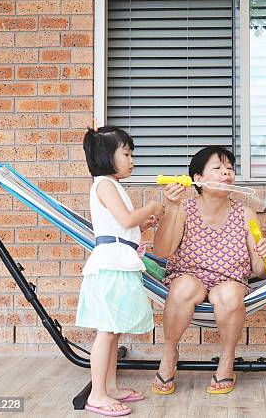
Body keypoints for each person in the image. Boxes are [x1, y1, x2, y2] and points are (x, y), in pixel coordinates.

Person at [152, 146, 266, 395]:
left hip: (230, 281)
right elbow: (163, 252)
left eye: (229, 169)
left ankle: (227, 360)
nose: (226, 173)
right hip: (188, 277)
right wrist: (172, 207)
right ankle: (169, 353)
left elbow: (260, 271)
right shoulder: (184, 208)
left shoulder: (246, 214)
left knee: (229, 293)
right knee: (185, 286)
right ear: (197, 178)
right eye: (217, 169)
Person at [77, 126, 160, 416]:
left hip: (119, 261)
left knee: (114, 331)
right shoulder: (104, 185)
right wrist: (151, 206)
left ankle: (109, 387)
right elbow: (125, 220)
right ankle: (97, 394)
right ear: (105, 156)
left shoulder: (112, 185)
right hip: (110, 264)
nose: (132, 159)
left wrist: (144, 224)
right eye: (126, 153)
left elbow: (124, 225)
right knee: (107, 331)